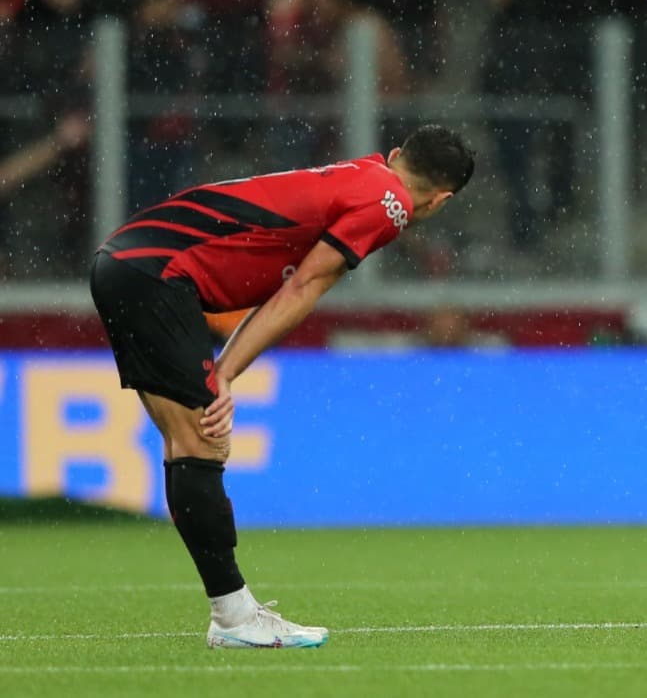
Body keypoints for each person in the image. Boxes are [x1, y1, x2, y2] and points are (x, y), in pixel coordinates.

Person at [89, 125, 475, 648]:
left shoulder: (360, 174)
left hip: (128, 261)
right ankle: (233, 617)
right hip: (156, 273)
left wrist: (222, 368)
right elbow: (302, 287)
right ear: (444, 199)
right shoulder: (389, 204)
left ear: (396, 153)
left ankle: (232, 612)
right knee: (201, 440)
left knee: (191, 443)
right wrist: (225, 372)